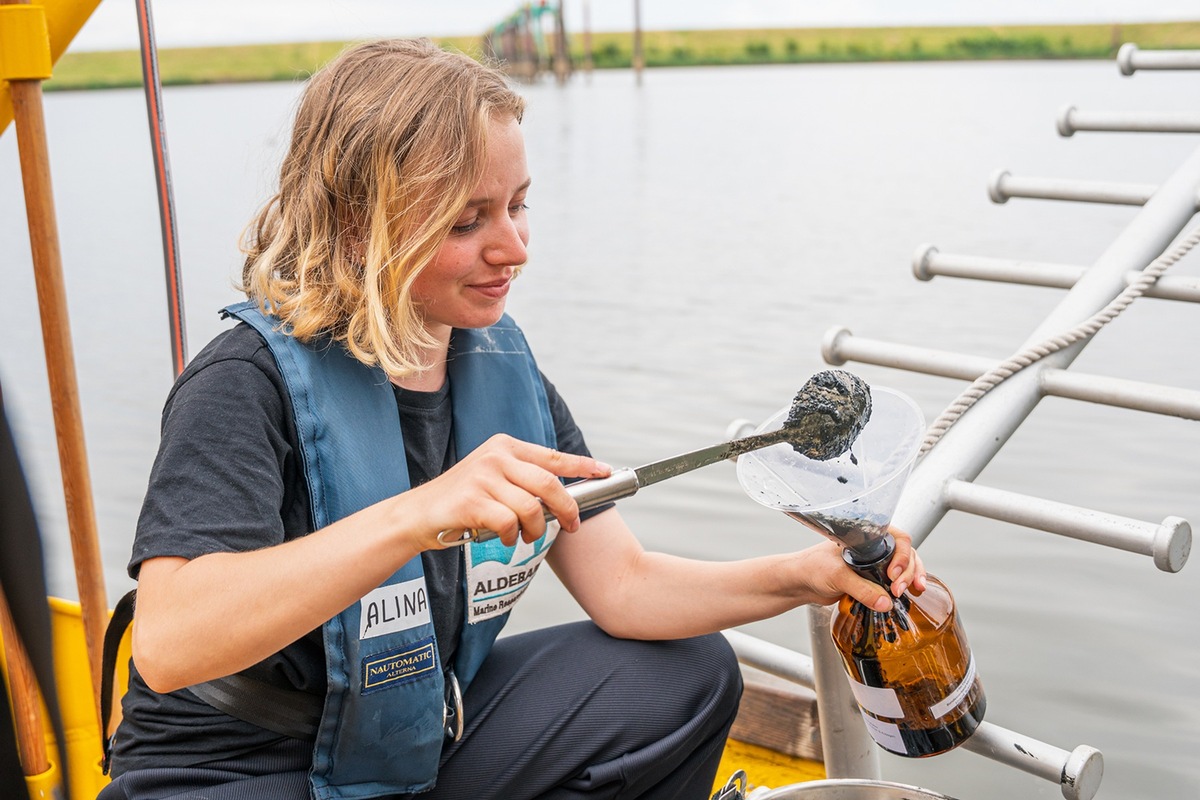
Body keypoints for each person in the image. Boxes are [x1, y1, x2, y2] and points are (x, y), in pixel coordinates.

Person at [100, 38, 924, 800]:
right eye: (467, 221)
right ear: (360, 224)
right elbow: (171, 644)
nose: (515, 247)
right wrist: (416, 515)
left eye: (517, 206)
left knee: (691, 675)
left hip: (410, 735)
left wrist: (800, 576)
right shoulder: (242, 384)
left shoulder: (498, 366)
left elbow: (625, 588)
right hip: (232, 765)